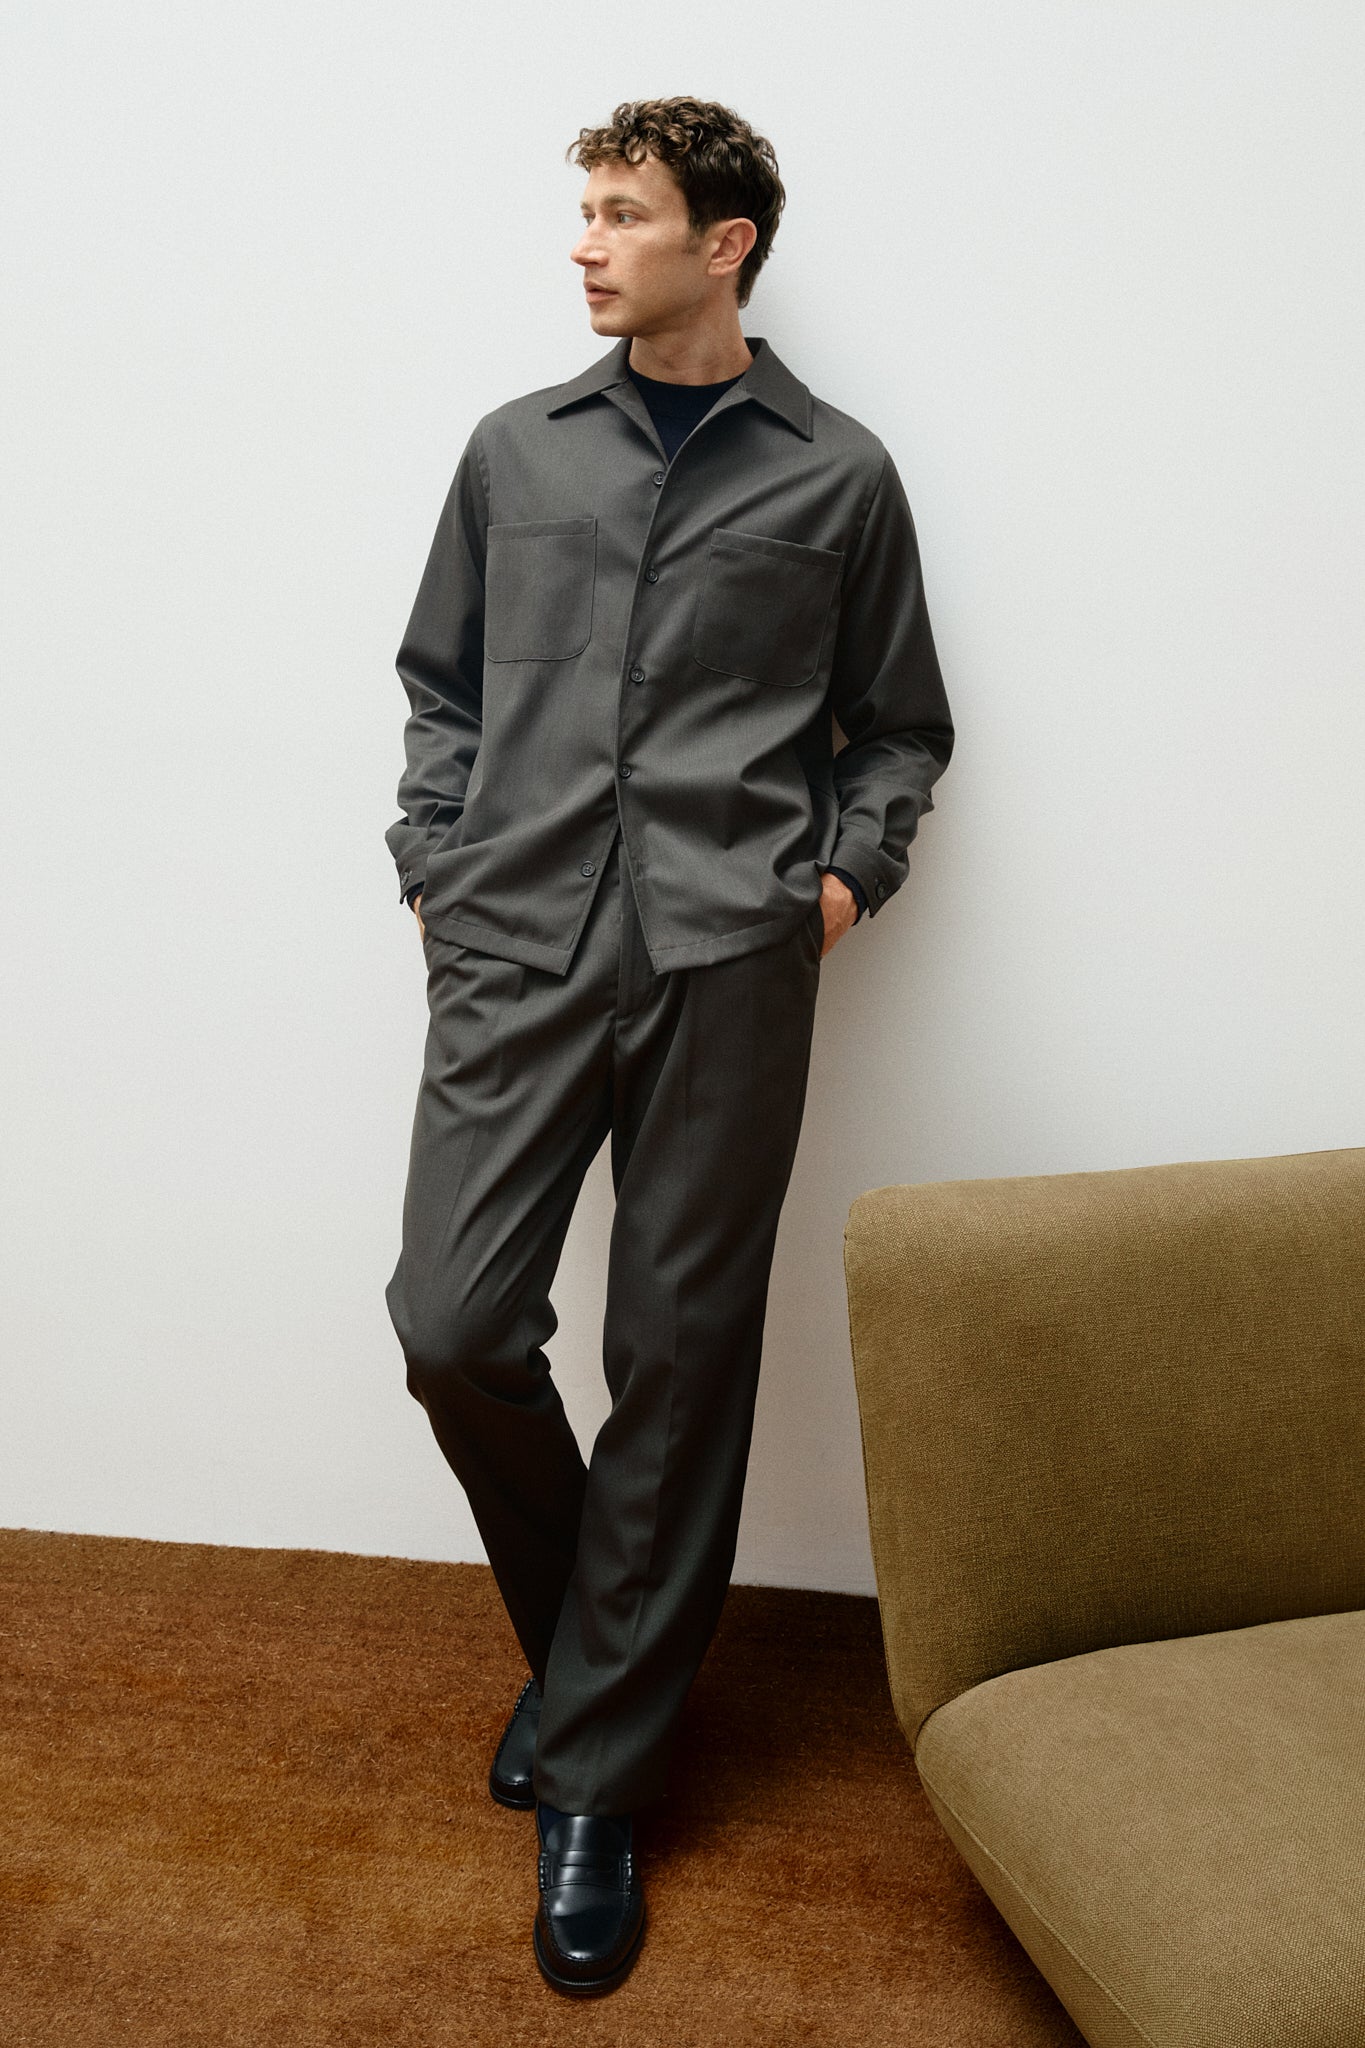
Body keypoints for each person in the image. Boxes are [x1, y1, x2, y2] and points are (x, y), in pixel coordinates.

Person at [383, 95, 953, 1998]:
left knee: (678, 1360)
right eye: (586, 214)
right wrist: (431, 859)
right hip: (518, 945)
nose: (584, 246)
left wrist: (842, 882)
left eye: (622, 215)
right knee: (455, 1325)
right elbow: (438, 685)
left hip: (727, 958)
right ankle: (601, 1671)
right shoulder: (512, 453)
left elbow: (896, 728)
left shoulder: (839, 478)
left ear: (725, 245)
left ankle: (597, 1783)